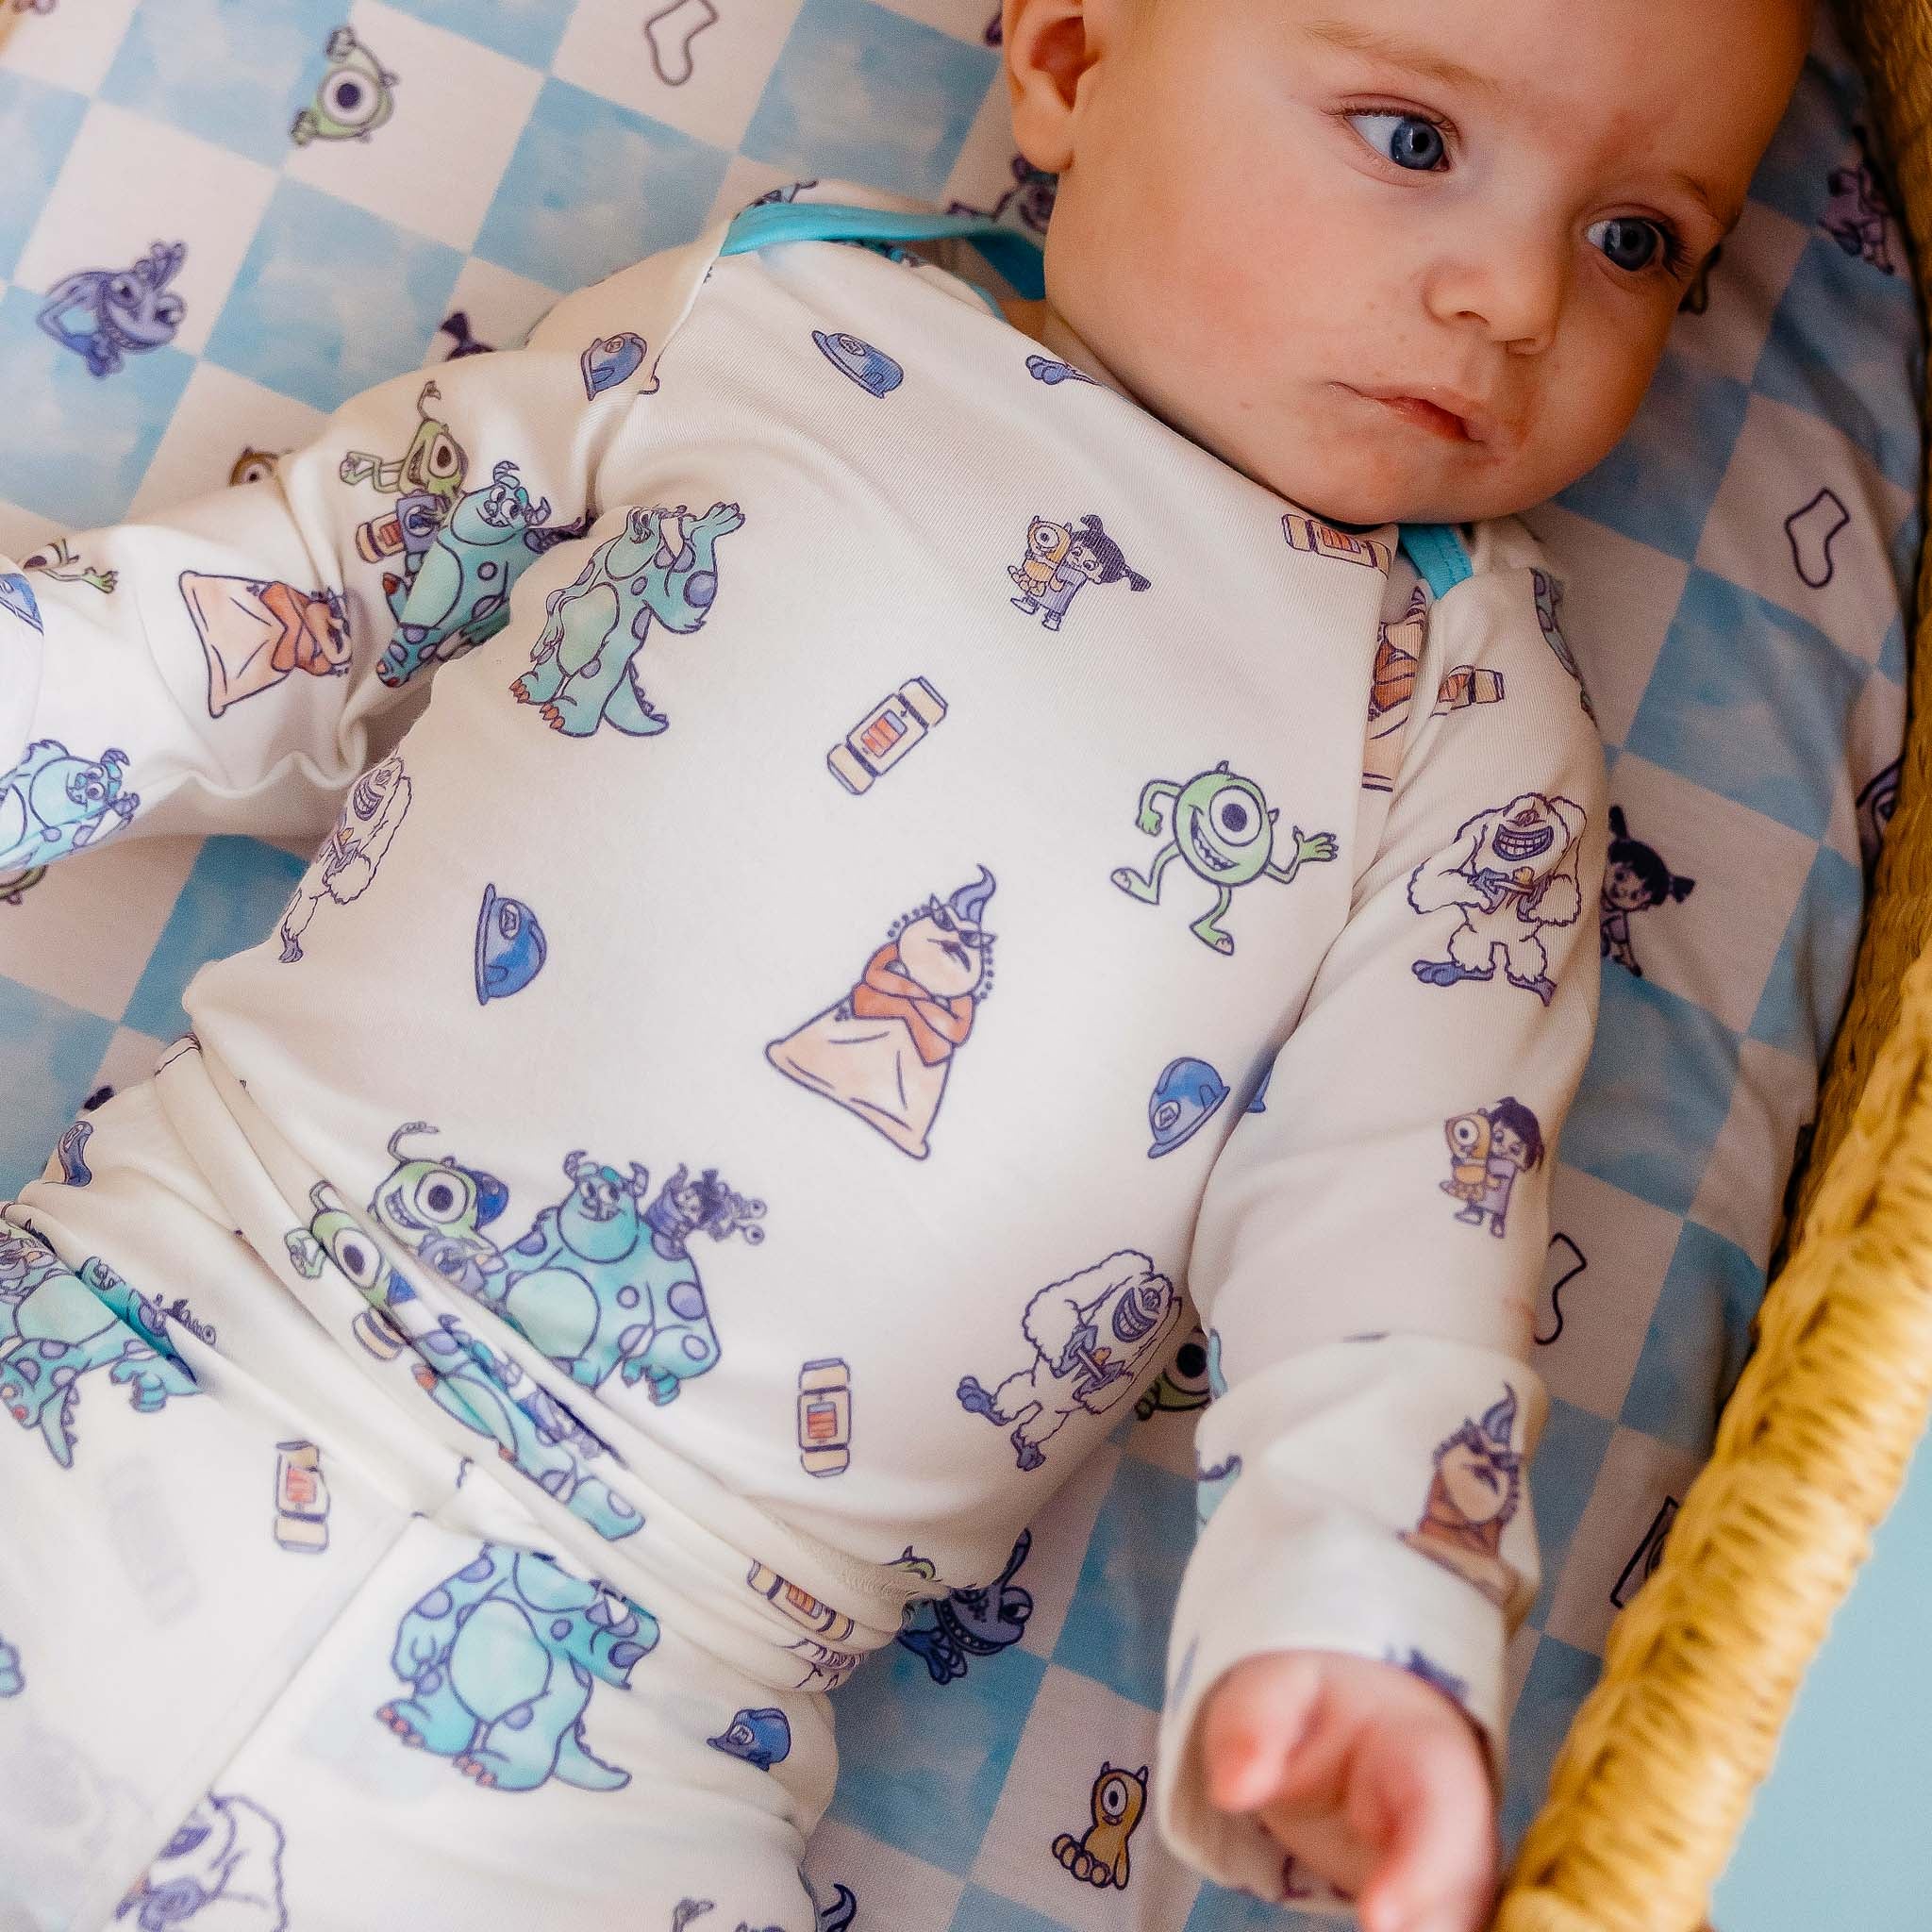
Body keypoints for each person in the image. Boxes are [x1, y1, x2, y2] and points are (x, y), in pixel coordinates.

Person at [0, 1, 1810, 1928]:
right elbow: (303, 598)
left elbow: (1400, 1234)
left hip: (650, 1714)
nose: (1518, 296)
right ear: (1074, 58)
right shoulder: (776, 313)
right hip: (153, 1335)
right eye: (1415, 139)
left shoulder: (1466, 734)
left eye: (1635, 240)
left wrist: (1363, 1625)